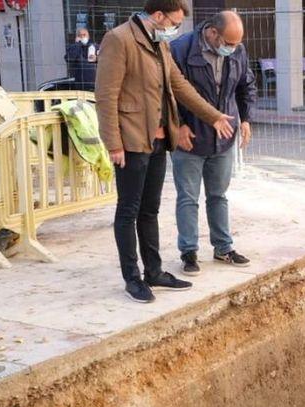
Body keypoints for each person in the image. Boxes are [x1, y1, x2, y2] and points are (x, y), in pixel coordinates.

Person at [96, 0, 236, 303]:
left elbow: (180, 85)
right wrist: (113, 143)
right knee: (128, 211)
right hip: (131, 141)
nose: (175, 29)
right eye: (173, 23)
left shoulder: (160, 44)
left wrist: (213, 116)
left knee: (150, 210)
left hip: (158, 140)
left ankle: (154, 271)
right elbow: (106, 95)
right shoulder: (119, 40)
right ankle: (132, 278)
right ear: (158, 16)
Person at [168, 11, 255, 275]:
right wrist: (179, 125)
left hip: (223, 137)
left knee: (218, 196)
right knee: (188, 198)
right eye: (228, 43)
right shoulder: (181, 49)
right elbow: (167, 92)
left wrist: (246, 119)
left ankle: (223, 248)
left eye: (236, 44)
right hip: (190, 137)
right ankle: (189, 252)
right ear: (212, 32)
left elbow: (246, 85)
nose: (233, 48)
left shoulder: (237, 50)